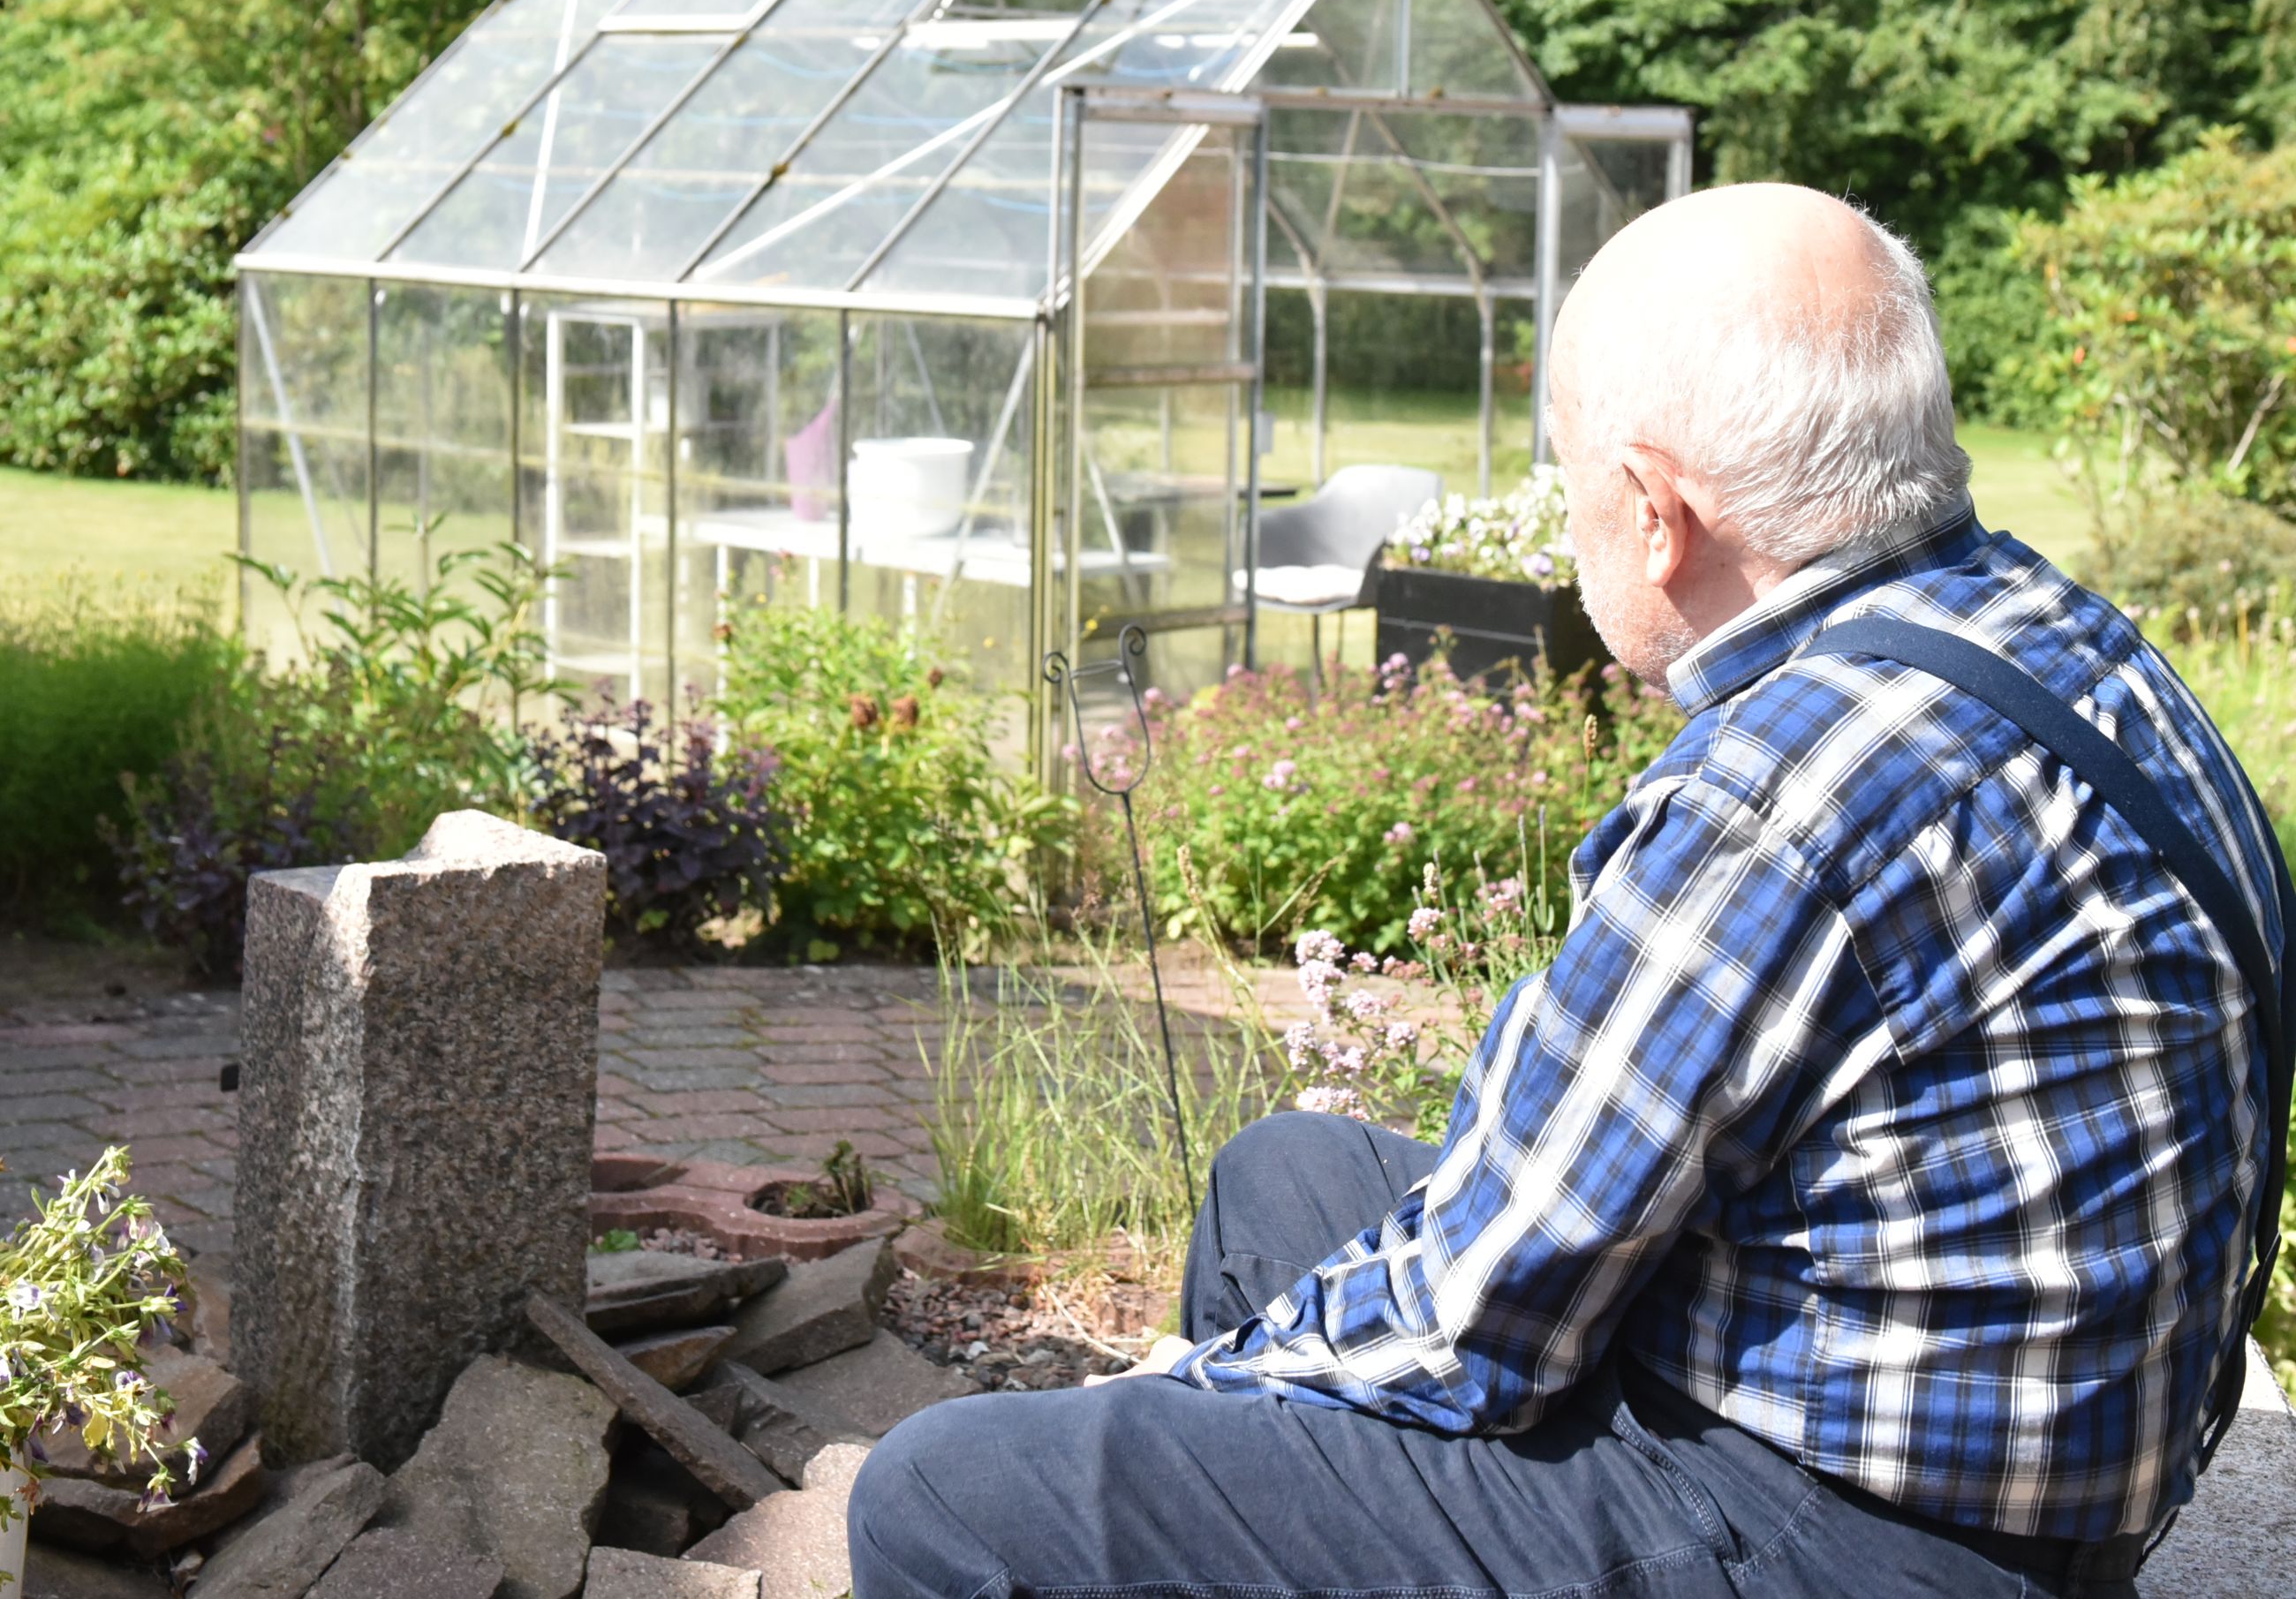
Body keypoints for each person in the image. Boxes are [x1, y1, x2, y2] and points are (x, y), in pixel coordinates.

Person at [849, 183, 2286, 1599]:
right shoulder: (2061, 635)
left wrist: (1185, 1398)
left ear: (1657, 512)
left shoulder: (1783, 789)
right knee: (1276, 1181)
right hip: (2002, 1457)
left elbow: (1471, 1320)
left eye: (1572, 478)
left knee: (947, 1500)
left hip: (1860, 1536)